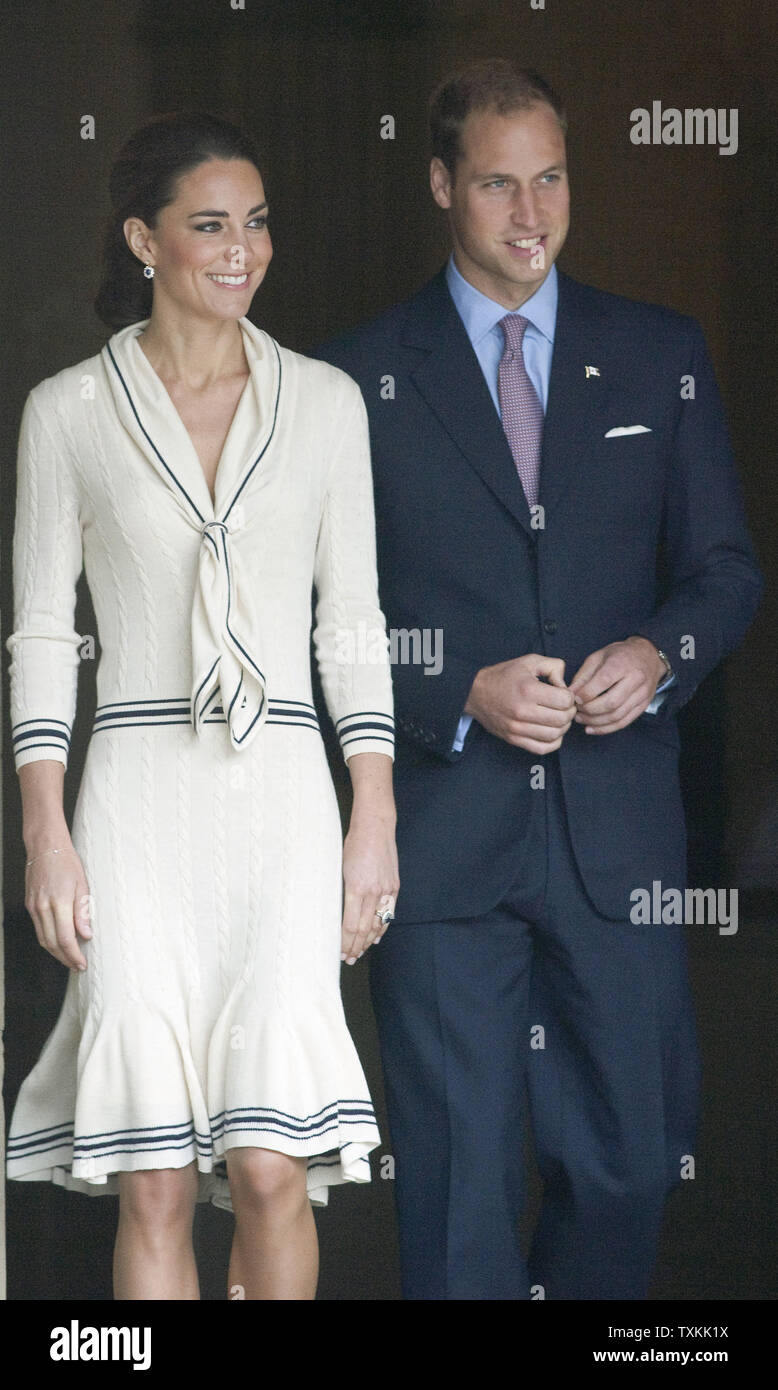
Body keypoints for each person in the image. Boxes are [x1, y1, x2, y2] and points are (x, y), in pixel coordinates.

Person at [315, 60, 763, 1300]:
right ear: (442, 185)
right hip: (444, 852)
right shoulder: (352, 380)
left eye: (551, 178)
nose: (530, 213)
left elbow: (726, 571)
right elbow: (317, 620)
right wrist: (455, 689)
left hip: (617, 845)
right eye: (499, 183)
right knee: (454, 1194)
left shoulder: (657, 353)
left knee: (625, 1169)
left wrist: (655, 655)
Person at [6, 112, 399, 1301]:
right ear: (144, 238)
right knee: (156, 1177)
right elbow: (36, 633)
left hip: (284, 801)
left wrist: (371, 815)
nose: (243, 249)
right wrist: (44, 828)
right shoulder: (66, 411)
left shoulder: (326, 404)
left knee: (275, 1163)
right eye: (210, 224)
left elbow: (352, 626)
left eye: (258, 221)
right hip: (130, 805)